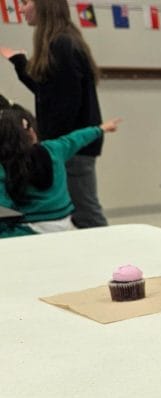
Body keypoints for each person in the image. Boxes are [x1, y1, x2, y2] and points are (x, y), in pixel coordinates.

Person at [1, 0, 107, 228]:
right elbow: (49, 93)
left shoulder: (62, 44)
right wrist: (20, 64)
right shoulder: (60, 41)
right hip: (70, 145)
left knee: (86, 213)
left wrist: (50, 149)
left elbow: (65, 104)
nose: (21, 9)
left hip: (73, 148)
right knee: (79, 215)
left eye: (26, 3)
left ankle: (118, 261)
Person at [0, 107, 120, 238]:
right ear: (32, 131)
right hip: (65, 224)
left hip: (28, 229)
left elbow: (3, 206)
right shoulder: (55, 149)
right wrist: (100, 129)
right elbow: (76, 138)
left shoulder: (4, 165)